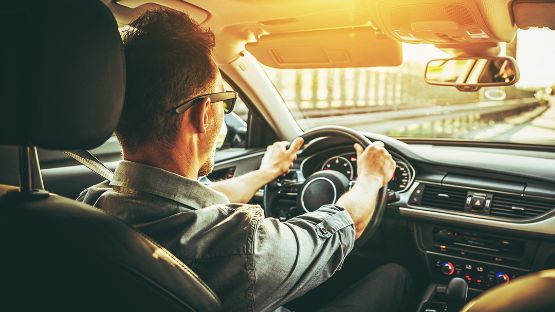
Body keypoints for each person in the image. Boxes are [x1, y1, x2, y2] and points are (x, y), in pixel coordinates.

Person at [78, 9, 411, 312]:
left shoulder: (89, 206)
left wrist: (266, 173)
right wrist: (371, 177)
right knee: (395, 276)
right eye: (225, 101)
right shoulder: (243, 246)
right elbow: (342, 227)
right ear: (203, 114)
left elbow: (188, 205)